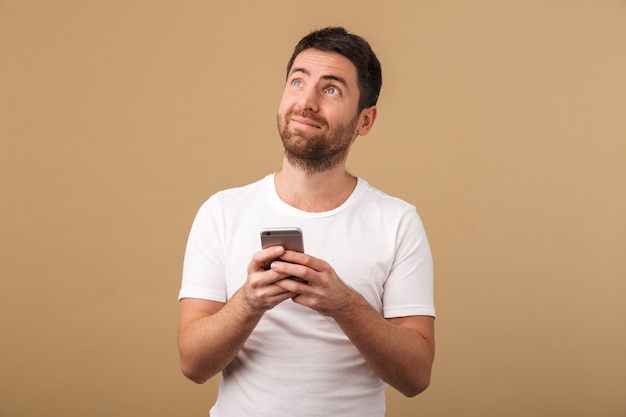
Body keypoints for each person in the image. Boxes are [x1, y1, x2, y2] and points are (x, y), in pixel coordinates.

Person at [178, 26, 435, 417]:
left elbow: (416, 377)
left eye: (331, 89)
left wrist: (344, 305)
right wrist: (250, 302)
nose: (307, 102)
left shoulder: (397, 222)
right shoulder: (221, 212)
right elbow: (193, 365)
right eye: (298, 82)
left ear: (365, 120)